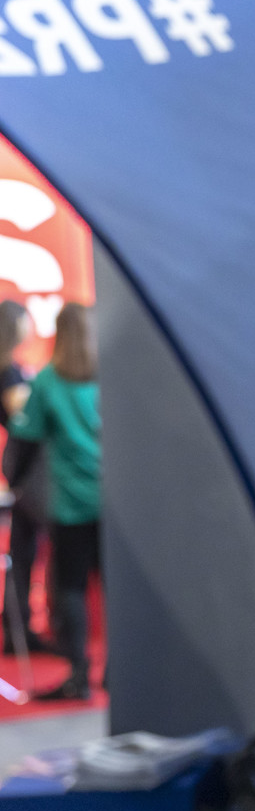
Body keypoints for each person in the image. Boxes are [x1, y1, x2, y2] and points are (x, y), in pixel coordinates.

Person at [9, 303, 100, 701]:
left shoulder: (48, 382)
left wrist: (14, 482)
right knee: (110, 588)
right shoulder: (106, 377)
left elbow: (24, 441)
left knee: (71, 586)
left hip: (72, 503)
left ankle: (79, 673)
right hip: (110, 503)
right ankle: (115, 672)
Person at [0, 300, 48, 656]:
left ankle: (18, 626)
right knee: (25, 547)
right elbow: (23, 422)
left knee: (24, 546)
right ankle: (18, 628)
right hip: (29, 470)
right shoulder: (9, 373)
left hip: (24, 468)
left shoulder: (11, 370)